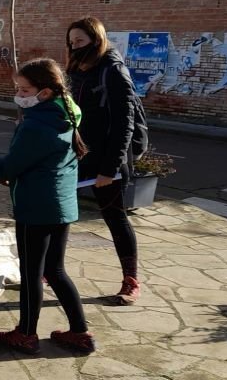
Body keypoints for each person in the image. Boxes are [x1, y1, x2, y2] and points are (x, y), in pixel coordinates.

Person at [0, 58, 94, 354]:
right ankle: (81, 332)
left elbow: (10, 166)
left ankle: (26, 333)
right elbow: (35, 164)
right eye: (17, 87)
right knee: (55, 270)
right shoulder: (65, 114)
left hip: (36, 207)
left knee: (33, 273)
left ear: (44, 92)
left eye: (24, 88)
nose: (19, 93)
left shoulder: (37, 125)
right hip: (60, 205)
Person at [66, 17, 141, 305]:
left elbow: (125, 124)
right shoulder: (77, 69)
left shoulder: (113, 71)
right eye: (72, 42)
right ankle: (51, 270)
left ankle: (130, 280)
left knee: (114, 216)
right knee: (61, 214)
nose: (75, 47)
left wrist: (110, 169)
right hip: (76, 156)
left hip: (106, 161)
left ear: (95, 40)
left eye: (80, 42)